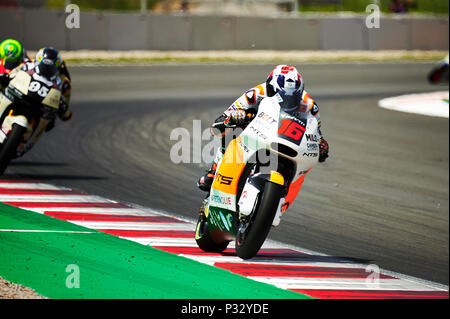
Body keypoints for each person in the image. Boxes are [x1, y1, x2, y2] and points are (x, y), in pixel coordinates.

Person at [197, 64, 329, 193]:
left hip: (285, 135)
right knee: (231, 129)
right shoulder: (255, 93)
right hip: (256, 127)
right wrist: (236, 116)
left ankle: (285, 192)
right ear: (270, 87)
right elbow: (223, 118)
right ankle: (214, 171)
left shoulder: (308, 104)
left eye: (292, 96)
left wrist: (320, 143)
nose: (287, 99)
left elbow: (315, 130)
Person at [7, 47, 72, 127]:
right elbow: (13, 72)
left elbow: (65, 107)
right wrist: (10, 75)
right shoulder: (28, 65)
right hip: (20, 94)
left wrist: (62, 104)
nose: (47, 68)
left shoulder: (59, 81)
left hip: (40, 106)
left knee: (49, 122)